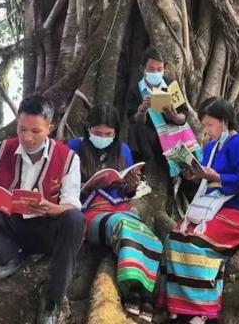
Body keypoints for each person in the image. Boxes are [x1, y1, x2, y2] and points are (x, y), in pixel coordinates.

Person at [0, 95, 85, 324]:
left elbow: (71, 202)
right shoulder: (3, 148)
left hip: (45, 232)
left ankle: (52, 302)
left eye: (36, 131)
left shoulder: (68, 158)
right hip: (9, 227)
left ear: (50, 128)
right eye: (22, 129)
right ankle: (9, 257)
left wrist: (52, 208)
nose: (27, 138)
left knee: (75, 219)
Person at [159, 97, 239, 324]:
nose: (207, 130)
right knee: (175, 237)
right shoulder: (210, 148)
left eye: (210, 125)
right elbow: (207, 181)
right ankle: (179, 309)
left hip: (238, 211)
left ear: (224, 121)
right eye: (204, 125)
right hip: (210, 209)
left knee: (195, 241)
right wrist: (195, 176)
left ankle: (201, 312)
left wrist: (218, 177)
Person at [66, 104, 162, 322]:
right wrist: (86, 186)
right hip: (89, 213)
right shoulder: (74, 148)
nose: (103, 138)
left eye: (108, 134)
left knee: (150, 236)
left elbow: (127, 192)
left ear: (116, 133)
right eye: (97, 133)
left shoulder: (123, 150)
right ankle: (131, 289)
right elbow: (62, 188)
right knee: (122, 226)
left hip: (120, 208)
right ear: (88, 128)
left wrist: (131, 185)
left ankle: (148, 292)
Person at [126, 47, 202, 180]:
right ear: (143, 69)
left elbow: (183, 115)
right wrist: (142, 110)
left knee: (192, 169)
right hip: (152, 138)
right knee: (137, 131)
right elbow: (134, 121)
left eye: (159, 69)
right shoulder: (136, 90)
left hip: (174, 134)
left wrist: (174, 117)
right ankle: (144, 171)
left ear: (164, 69)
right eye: (151, 69)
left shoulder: (171, 85)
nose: (155, 73)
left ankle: (188, 180)